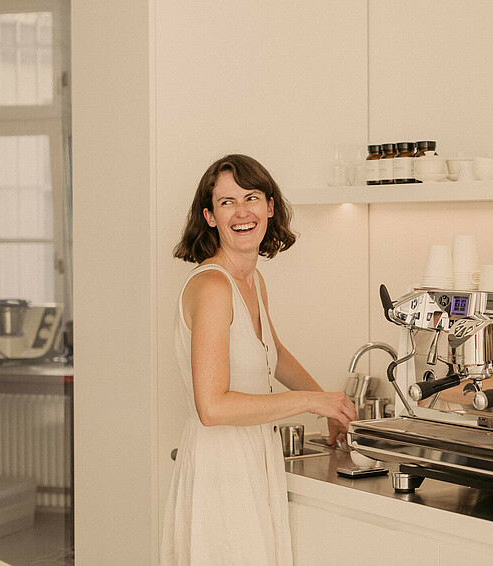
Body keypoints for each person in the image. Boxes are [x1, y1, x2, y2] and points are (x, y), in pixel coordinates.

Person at [161, 154, 357, 565]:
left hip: (252, 459)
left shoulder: (250, 280)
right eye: (227, 202)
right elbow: (212, 407)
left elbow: (274, 354)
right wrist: (310, 402)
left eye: (251, 197)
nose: (242, 212)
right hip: (220, 469)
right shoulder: (213, 287)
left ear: (269, 206)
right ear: (210, 217)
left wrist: (330, 407)